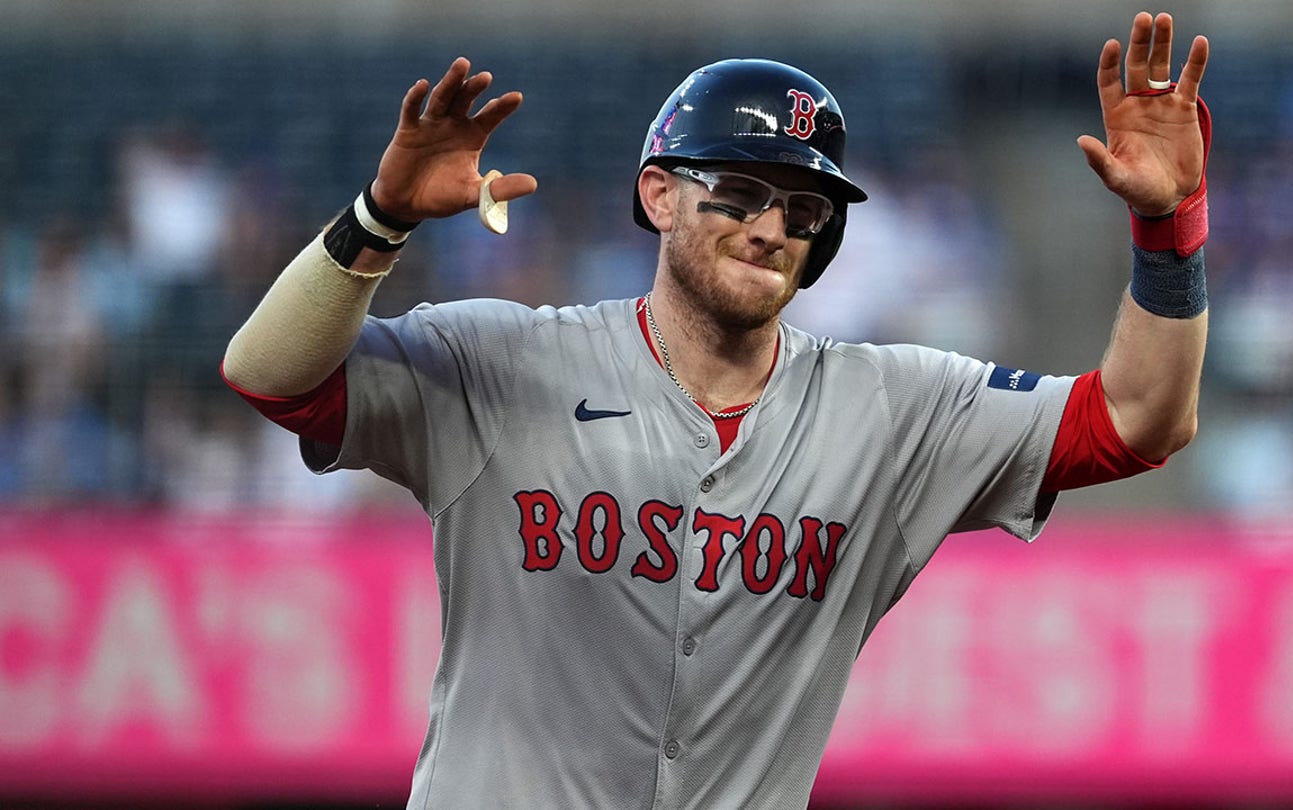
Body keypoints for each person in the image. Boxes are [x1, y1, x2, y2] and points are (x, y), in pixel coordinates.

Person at [222, 11, 1210, 809]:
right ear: (657, 195)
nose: (772, 226)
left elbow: (1137, 421)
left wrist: (1169, 225)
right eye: (738, 190)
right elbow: (271, 375)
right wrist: (378, 219)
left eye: (804, 208)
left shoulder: (895, 409)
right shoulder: (504, 358)